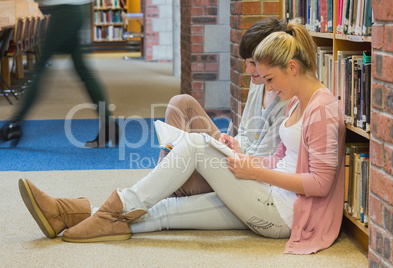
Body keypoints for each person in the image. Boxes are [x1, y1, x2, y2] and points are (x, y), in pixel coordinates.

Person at [19, 20, 346, 254]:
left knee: (194, 144)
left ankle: (110, 205)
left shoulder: (322, 109)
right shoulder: (298, 102)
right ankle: (71, 214)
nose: (268, 87)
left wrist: (254, 170)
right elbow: (280, 159)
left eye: (271, 78)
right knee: (165, 214)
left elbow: (320, 183)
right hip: (263, 193)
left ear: (292, 67)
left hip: (281, 214)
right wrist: (251, 161)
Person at [161, 18, 288, 197]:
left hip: (249, 175)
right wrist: (235, 145)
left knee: (178, 182)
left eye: (253, 63)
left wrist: (233, 153)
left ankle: (162, 184)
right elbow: (244, 130)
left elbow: (267, 161)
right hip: (236, 158)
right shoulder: (258, 83)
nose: (247, 69)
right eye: (247, 62)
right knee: (180, 103)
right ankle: (164, 180)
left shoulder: (287, 102)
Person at [0, 1, 118, 148]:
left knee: (40, 69)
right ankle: (109, 125)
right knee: (83, 71)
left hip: (64, 11)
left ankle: (15, 125)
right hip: (77, 11)